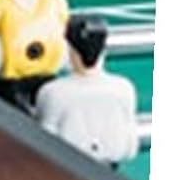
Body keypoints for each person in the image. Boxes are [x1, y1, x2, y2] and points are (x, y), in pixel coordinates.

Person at [34, 16, 140, 166]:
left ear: (70, 51)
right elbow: (130, 146)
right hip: (107, 169)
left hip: (66, 170)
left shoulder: (52, 93)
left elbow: (45, 146)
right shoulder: (124, 88)